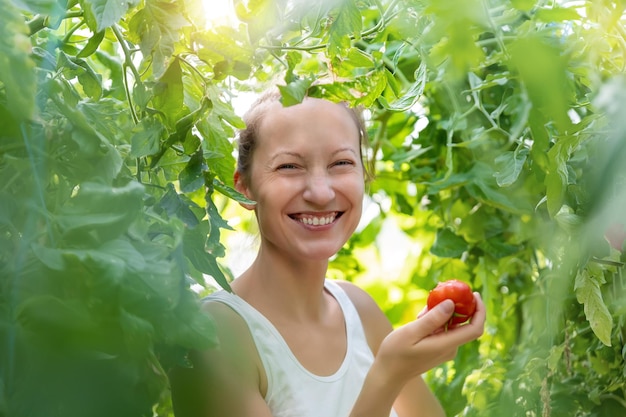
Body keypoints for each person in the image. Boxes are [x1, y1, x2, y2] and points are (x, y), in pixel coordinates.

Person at [169, 89, 486, 417]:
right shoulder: (212, 335)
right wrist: (388, 376)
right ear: (244, 188)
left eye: (341, 163)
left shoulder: (359, 309)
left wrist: (402, 364)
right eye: (290, 166)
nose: (321, 193)